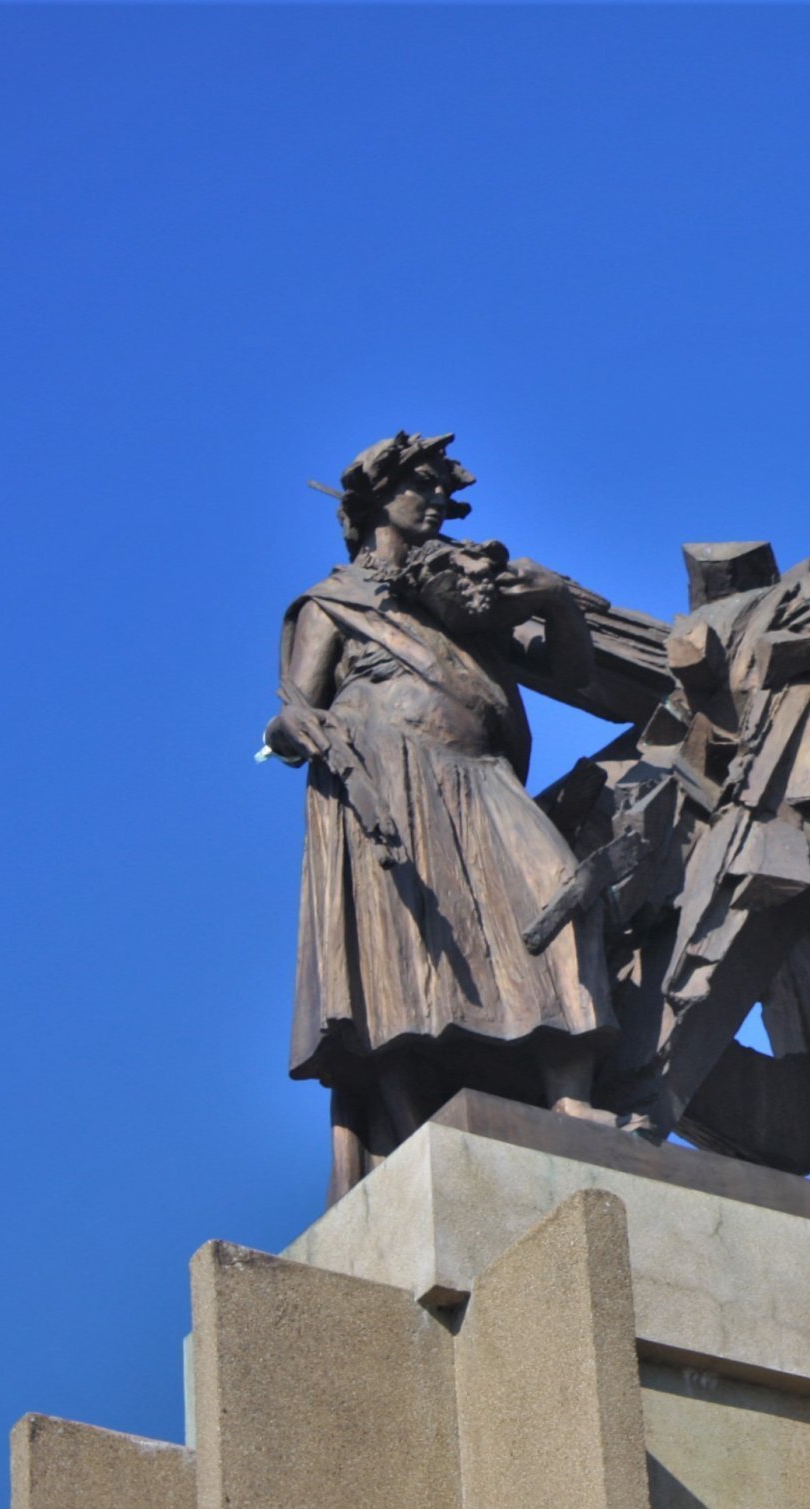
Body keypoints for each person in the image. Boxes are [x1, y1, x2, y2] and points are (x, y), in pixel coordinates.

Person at [265, 432, 616, 1201]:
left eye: (438, 488)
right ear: (373, 502)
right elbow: (290, 712)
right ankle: (412, 1115)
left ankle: (570, 1096)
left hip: (483, 778)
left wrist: (555, 601)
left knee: (558, 902)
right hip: (392, 783)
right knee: (403, 956)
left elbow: (571, 673)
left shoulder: (461, 594)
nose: (435, 500)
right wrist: (294, 731)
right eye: (418, 485)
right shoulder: (331, 604)